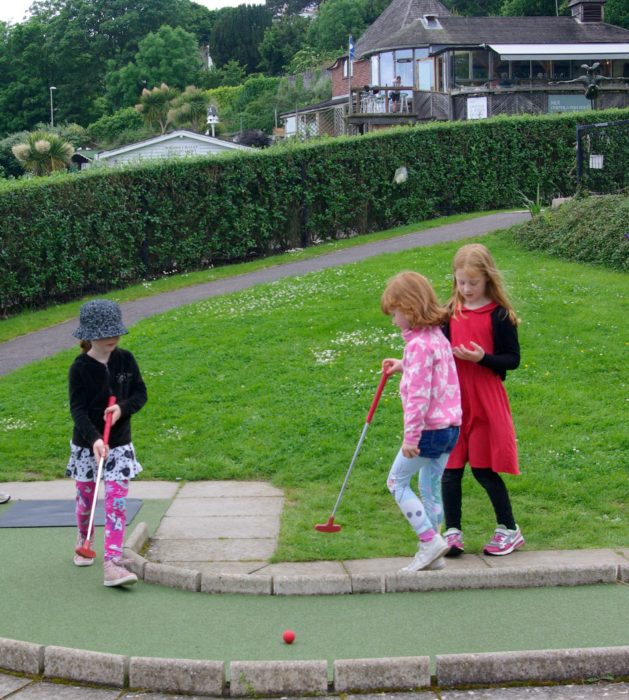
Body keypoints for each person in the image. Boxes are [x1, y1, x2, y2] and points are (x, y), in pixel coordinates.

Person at [441, 244, 524, 557]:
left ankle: (509, 529)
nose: (466, 289)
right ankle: (452, 533)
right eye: (461, 282)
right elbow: (434, 350)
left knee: (482, 469)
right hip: (453, 401)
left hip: (484, 402)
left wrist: (483, 358)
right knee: (450, 469)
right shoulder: (449, 313)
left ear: (487, 279)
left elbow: (512, 359)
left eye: (472, 283)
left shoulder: (500, 315)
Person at [381, 272, 462, 572]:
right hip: (450, 429)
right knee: (429, 486)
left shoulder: (418, 345)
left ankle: (428, 540)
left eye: (396, 313)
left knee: (396, 482)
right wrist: (403, 365)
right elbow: (435, 375)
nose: (394, 320)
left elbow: (418, 398)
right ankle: (435, 552)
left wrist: (411, 438)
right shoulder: (437, 338)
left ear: (410, 308)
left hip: (427, 433)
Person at [68, 299, 147, 587]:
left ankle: (112, 561)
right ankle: (83, 535)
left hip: (120, 444)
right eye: (104, 333)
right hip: (88, 445)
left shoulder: (126, 360)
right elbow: (77, 410)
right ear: (89, 335)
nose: (112, 338)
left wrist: (122, 409)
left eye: (115, 332)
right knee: (85, 502)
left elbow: (140, 393)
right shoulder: (79, 369)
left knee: (116, 502)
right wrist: (95, 439)